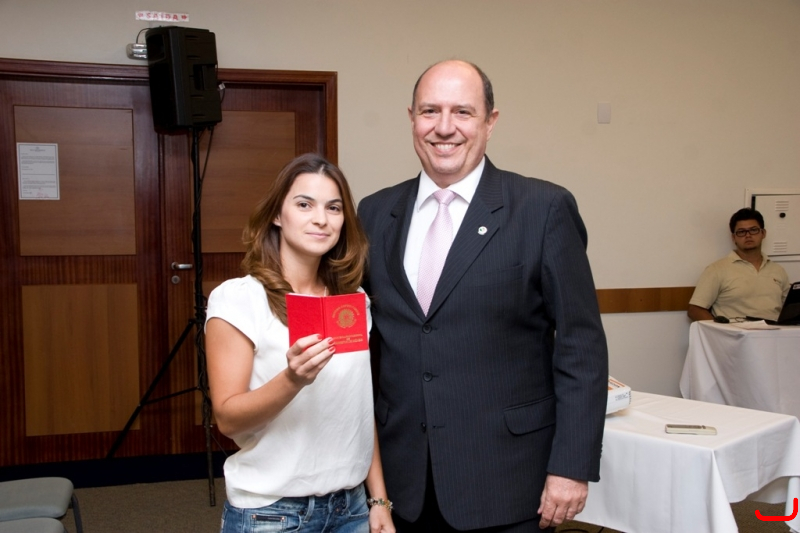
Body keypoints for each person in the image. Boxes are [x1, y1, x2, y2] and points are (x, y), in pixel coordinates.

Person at [357, 60, 609, 532]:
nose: (444, 127)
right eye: (430, 111)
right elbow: (368, 344)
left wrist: (571, 467)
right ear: (411, 118)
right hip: (402, 484)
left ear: (490, 122)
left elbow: (582, 347)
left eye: (463, 112)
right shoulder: (374, 212)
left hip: (508, 481)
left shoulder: (543, 209)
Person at [205, 153, 395, 533]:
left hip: (352, 509)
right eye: (304, 204)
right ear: (277, 214)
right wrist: (292, 379)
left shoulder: (352, 301)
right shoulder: (240, 298)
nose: (321, 219)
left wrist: (378, 500)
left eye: (333, 208)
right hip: (271, 513)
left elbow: (359, 408)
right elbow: (226, 419)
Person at [688, 207, 790, 322]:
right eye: (741, 232)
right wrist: (720, 329)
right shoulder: (717, 269)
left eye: (753, 230)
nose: (748, 235)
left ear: (763, 233)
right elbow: (695, 310)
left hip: (775, 331)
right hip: (735, 332)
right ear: (734, 238)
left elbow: (791, 308)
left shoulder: (778, 270)